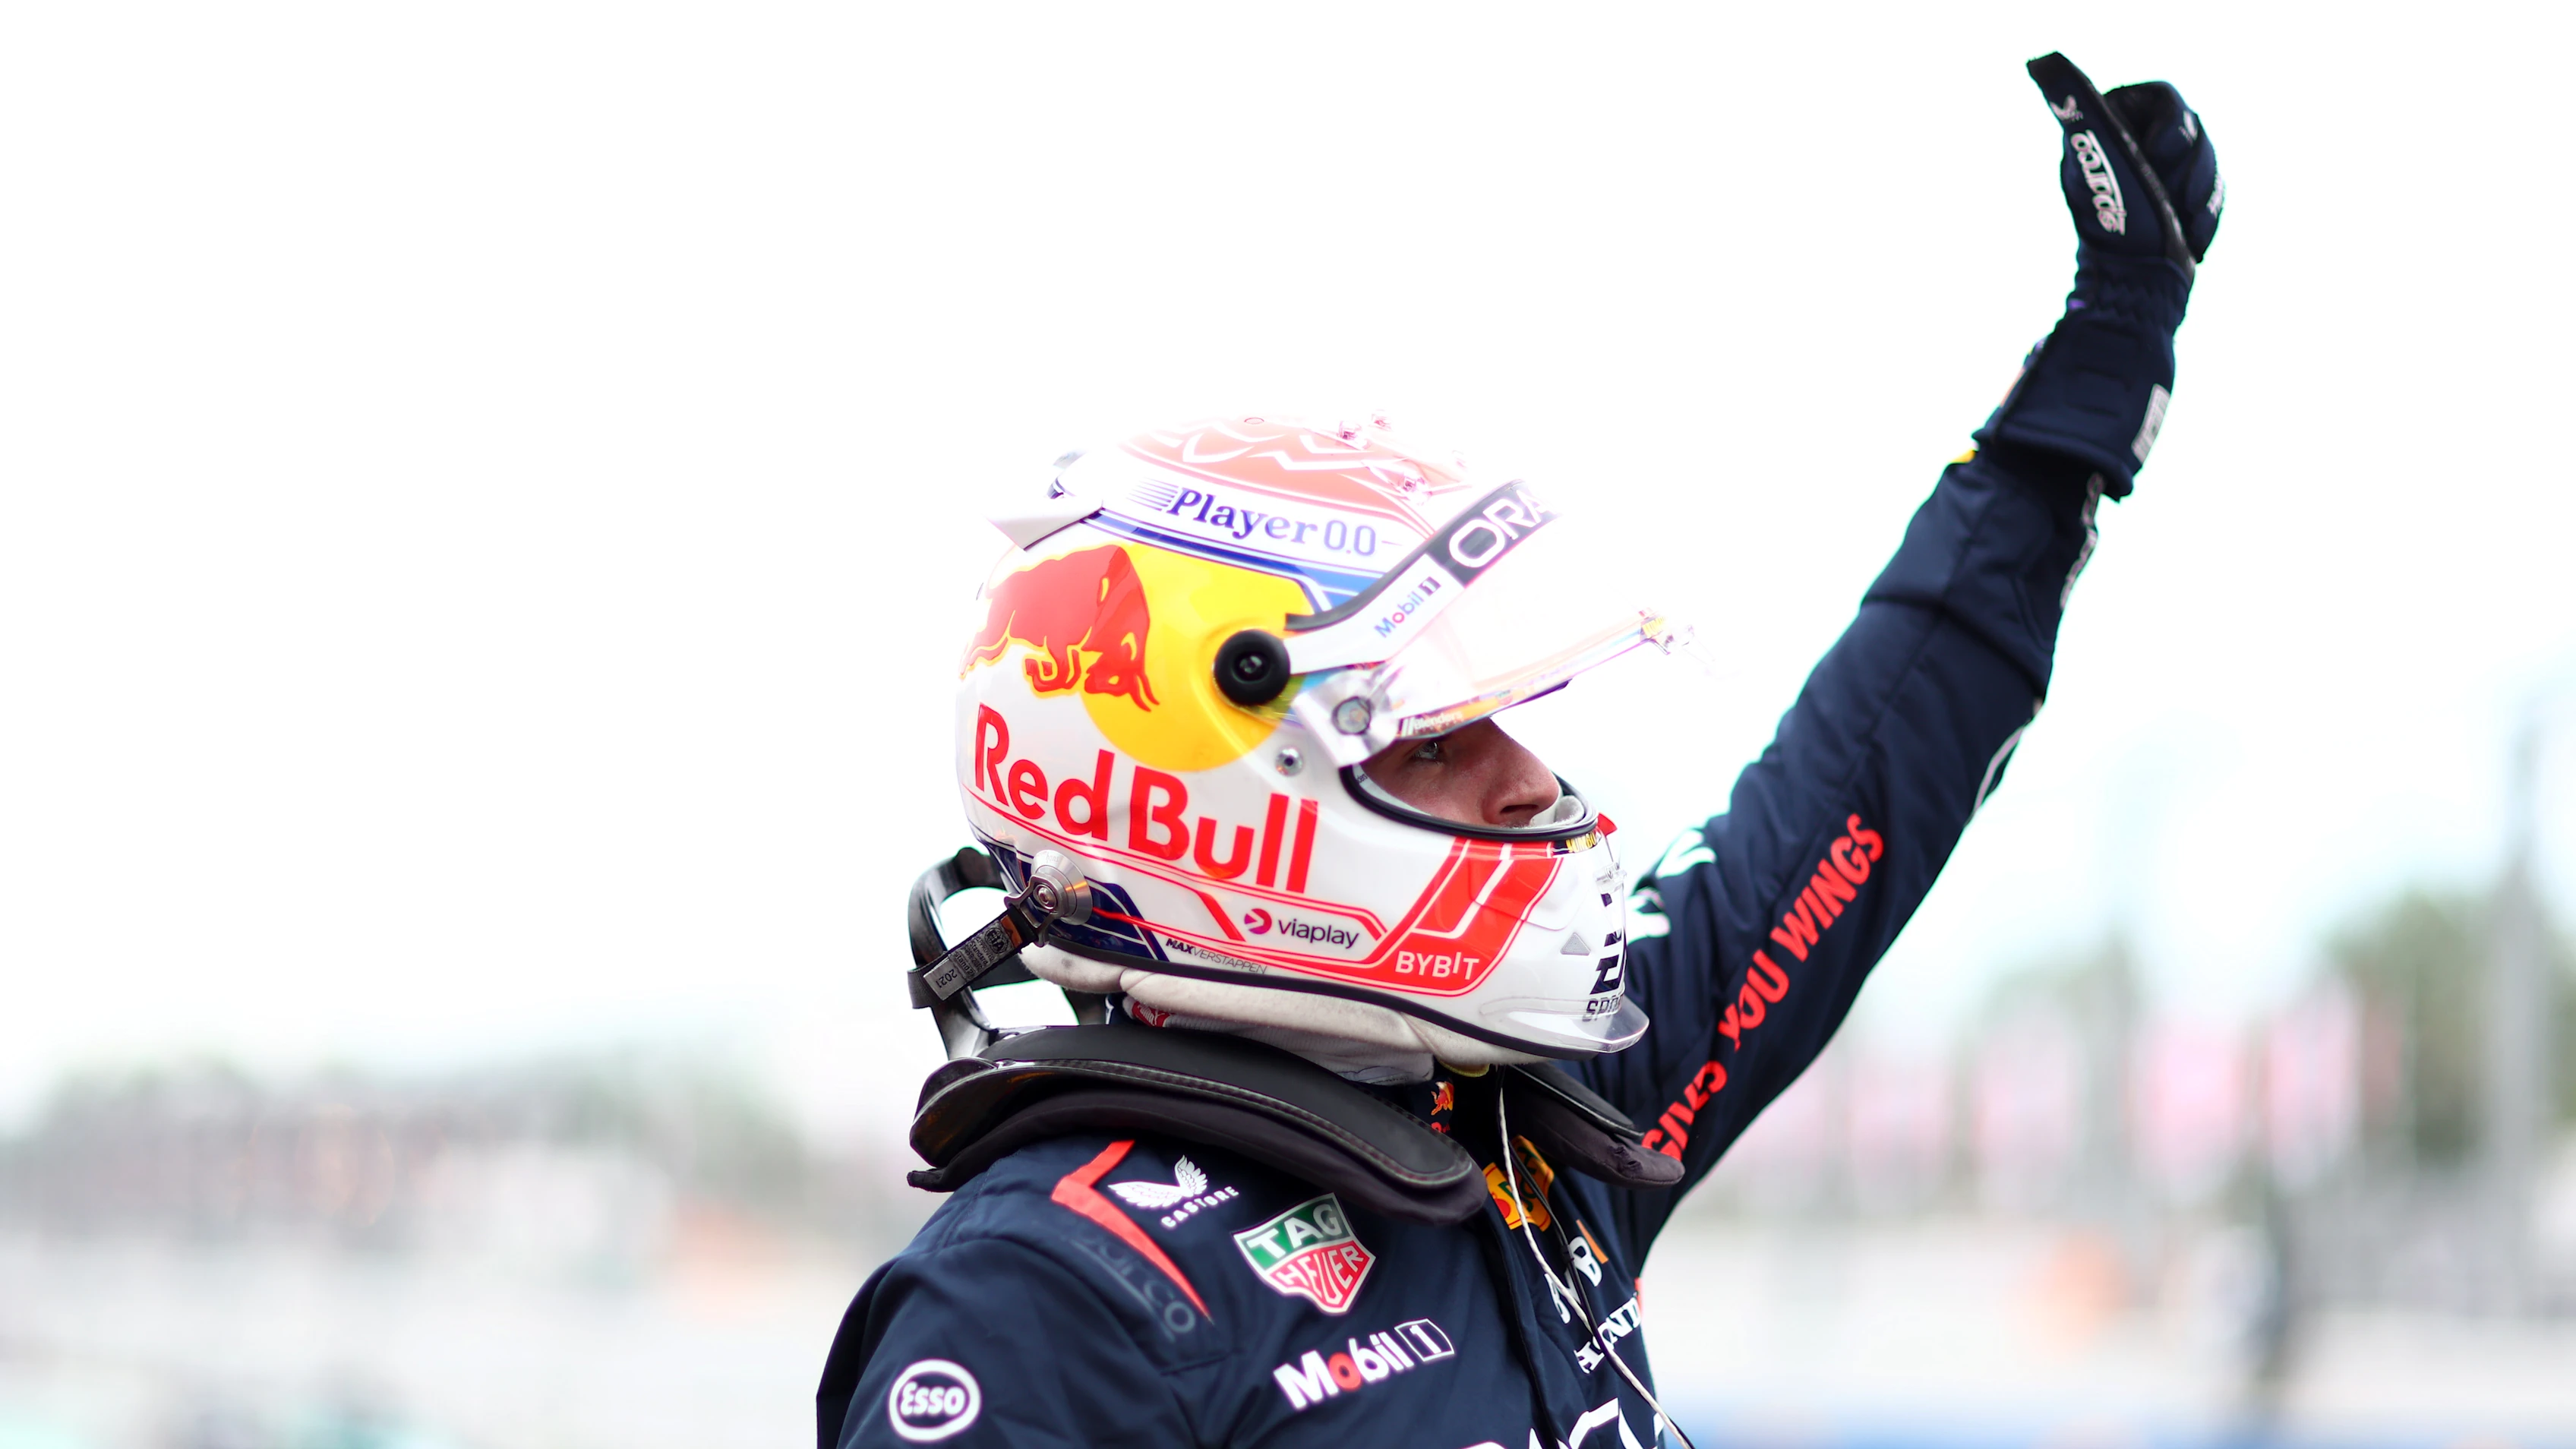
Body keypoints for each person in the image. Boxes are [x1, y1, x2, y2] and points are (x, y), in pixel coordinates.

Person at [821, 61, 2223, 1449]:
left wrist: (2098, 375)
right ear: (1213, 812)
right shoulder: (1037, 1310)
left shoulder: (1532, 1122)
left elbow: (1857, 780)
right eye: (1433, 741)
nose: (1529, 783)